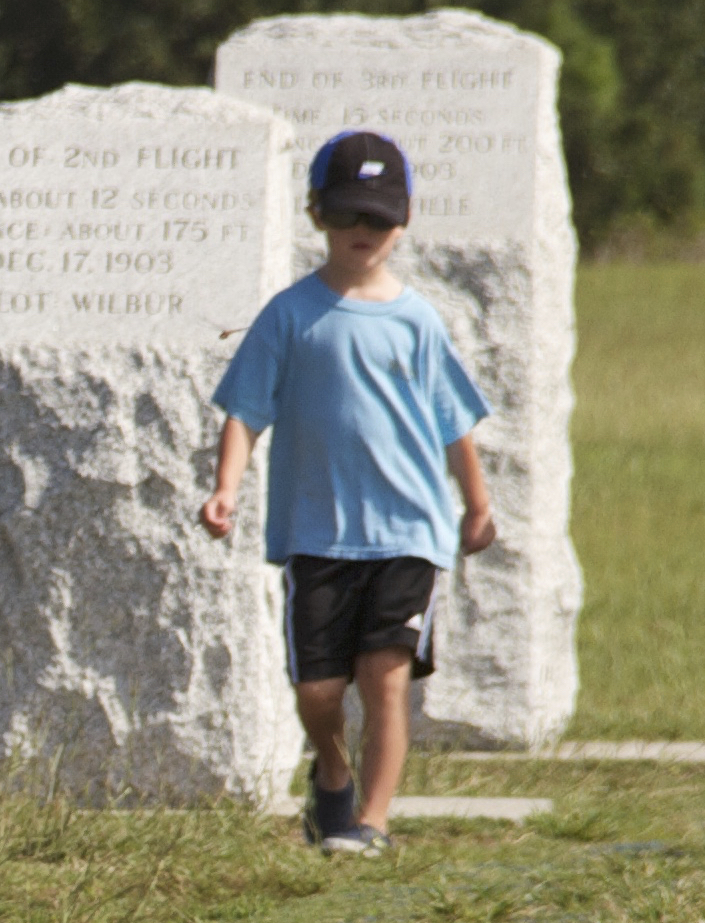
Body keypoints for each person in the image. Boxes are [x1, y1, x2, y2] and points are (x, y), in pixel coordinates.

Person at [200, 129, 499, 856]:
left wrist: (477, 502)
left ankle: (372, 821)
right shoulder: (289, 314)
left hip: (408, 531)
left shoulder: (416, 320)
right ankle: (331, 771)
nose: (360, 232)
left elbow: (453, 421)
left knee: (385, 677)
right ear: (316, 216)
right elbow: (245, 408)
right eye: (344, 215)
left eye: (376, 217)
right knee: (319, 693)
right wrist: (225, 487)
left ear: (401, 222)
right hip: (318, 532)